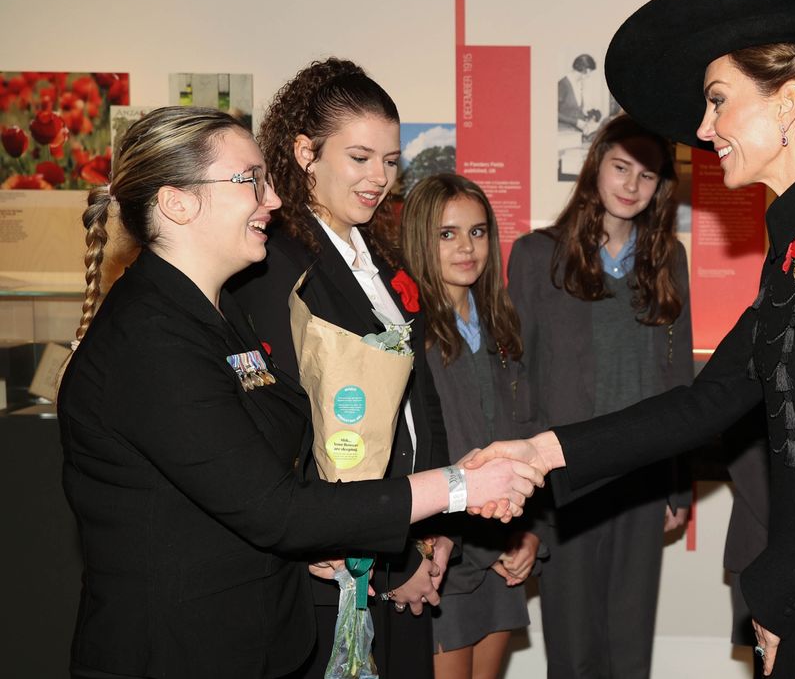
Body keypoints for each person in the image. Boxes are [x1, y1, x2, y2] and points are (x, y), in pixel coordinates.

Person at [466, 0, 795, 678]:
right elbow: (707, 402)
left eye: (718, 101)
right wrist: (538, 453)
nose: (703, 131)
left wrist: (772, 589)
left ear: (790, 101)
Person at [56, 106, 540, 679]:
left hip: (257, 640)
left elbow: (274, 467)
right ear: (177, 202)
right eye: (250, 181)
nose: (275, 199)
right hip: (177, 651)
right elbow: (276, 509)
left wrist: (329, 530)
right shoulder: (149, 339)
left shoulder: (214, 313)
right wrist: (459, 486)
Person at [227, 58, 453, 679]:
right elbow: (288, 425)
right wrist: (393, 555)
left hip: (400, 533)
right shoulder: (276, 263)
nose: (379, 177)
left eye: (389, 160)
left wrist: (433, 526)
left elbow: (417, 394)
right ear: (305, 152)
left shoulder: (377, 253)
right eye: (360, 158)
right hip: (335, 564)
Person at [509, 112, 694, 678]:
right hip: (567, 479)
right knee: (573, 650)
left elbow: (680, 382)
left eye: (647, 175)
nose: (631, 186)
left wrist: (679, 487)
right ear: (595, 169)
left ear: (662, 185)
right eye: (620, 168)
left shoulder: (667, 261)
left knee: (629, 648)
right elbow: (519, 380)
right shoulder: (537, 256)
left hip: (641, 480)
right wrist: (525, 489)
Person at [400, 173, 544, 678]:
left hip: (502, 551)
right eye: (448, 233)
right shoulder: (405, 334)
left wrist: (530, 536)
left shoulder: (503, 325)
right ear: (421, 239)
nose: (466, 247)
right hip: (440, 557)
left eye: (478, 232)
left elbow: (528, 435)